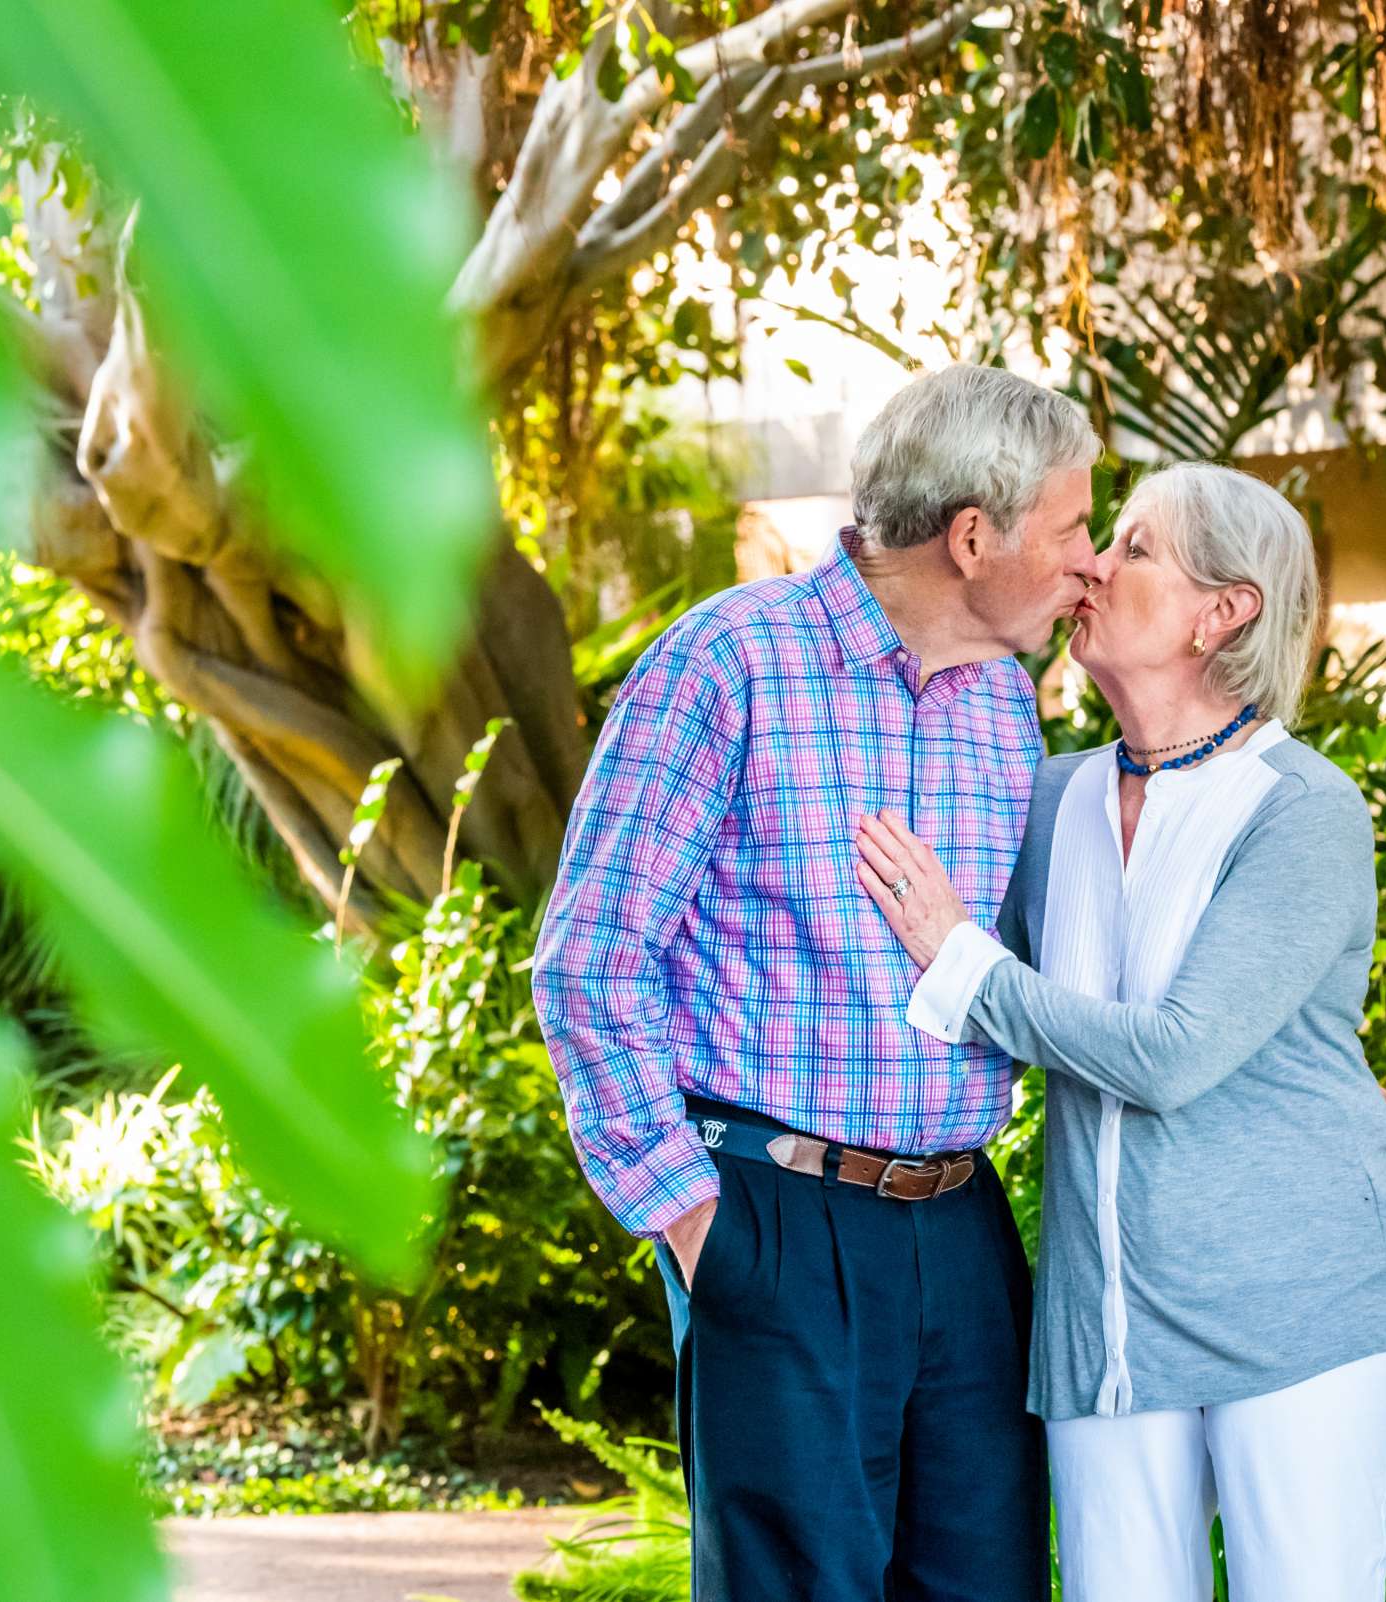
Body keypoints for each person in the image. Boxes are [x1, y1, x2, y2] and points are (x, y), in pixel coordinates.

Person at [530, 364, 1102, 1602]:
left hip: (962, 1230)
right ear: (971, 537)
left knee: (987, 1584)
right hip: (778, 1217)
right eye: (1071, 528)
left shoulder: (1006, 706)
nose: (1091, 564)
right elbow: (590, 959)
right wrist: (695, 1221)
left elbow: (1042, 967)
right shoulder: (729, 664)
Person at [855, 461, 1386, 1602]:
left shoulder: (1300, 807)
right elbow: (976, 1013)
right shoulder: (1050, 794)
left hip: (1292, 1313)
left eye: (1138, 546)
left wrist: (963, 957)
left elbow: (1169, 1055)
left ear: (1224, 612)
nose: (1097, 565)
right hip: (1102, 1327)